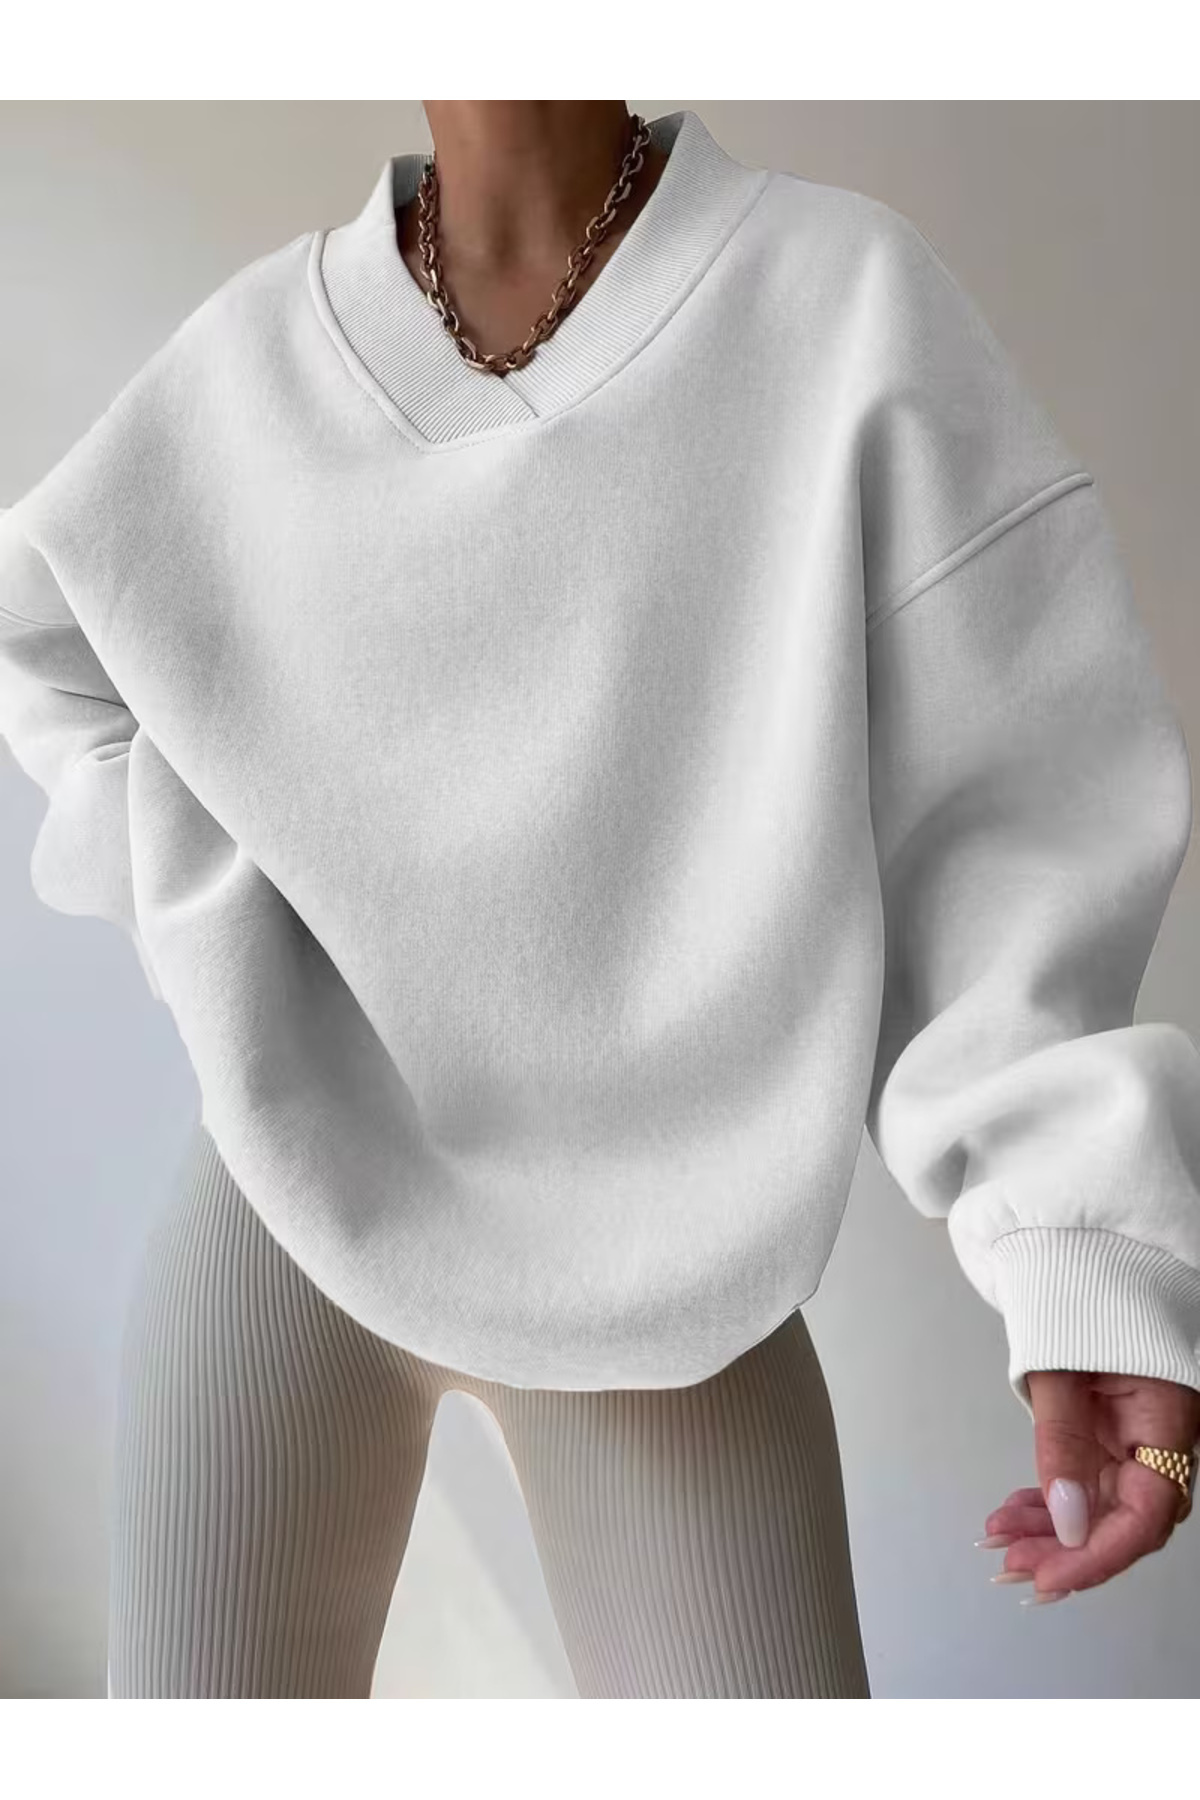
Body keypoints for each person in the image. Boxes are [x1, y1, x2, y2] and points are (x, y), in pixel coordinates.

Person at [1, 100, 1198, 1701]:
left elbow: (1015, 819)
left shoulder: (838, 304)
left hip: (669, 1280)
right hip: (276, 1227)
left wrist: (1082, 1265)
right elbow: (55, 648)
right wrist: (225, 924)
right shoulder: (258, 355)